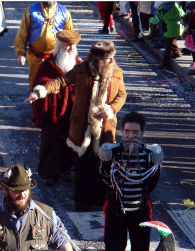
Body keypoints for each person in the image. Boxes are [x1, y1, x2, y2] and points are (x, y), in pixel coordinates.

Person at [26, 40, 127, 212]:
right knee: (83, 166)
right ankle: (82, 202)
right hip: (82, 128)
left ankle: (100, 200)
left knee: (102, 167)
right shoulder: (81, 70)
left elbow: (121, 95)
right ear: (97, 58)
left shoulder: (117, 73)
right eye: (107, 59)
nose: (110, 62)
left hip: (105, 128)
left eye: (111, 58)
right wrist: (39, 92)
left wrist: (111, 109)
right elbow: (60, 82)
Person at [98, 112, 163, 251]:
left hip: (141, 210)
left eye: (135, 132)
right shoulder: (113, 152)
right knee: (113, 250)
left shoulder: (149, 154)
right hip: (116, 208)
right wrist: (106, 159)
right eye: (127, 132)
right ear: (122, 132)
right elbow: (102, 177)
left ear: (142, 133)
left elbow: (152, 182)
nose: (130, 136)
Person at [31, 30, 81, 186]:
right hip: (52, 110)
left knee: (70, 140)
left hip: (72, 110)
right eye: (67, 44)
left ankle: (66, 169)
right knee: (50, 141)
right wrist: (45, 91)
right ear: (60, 45)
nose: (71, 47)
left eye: (73, 45)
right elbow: (40, 82)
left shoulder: (79, 64)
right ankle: (49, 174)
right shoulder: (48, 64)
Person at [14, 1, 73, 91]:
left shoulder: (64, 12)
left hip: (56, 58)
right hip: (35, 57)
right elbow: (23, 33)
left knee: (54, 86)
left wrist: (71, 53)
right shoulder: (30, 11)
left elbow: (70, 36)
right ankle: (35, 104)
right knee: (35, 85)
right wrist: (20, 53)